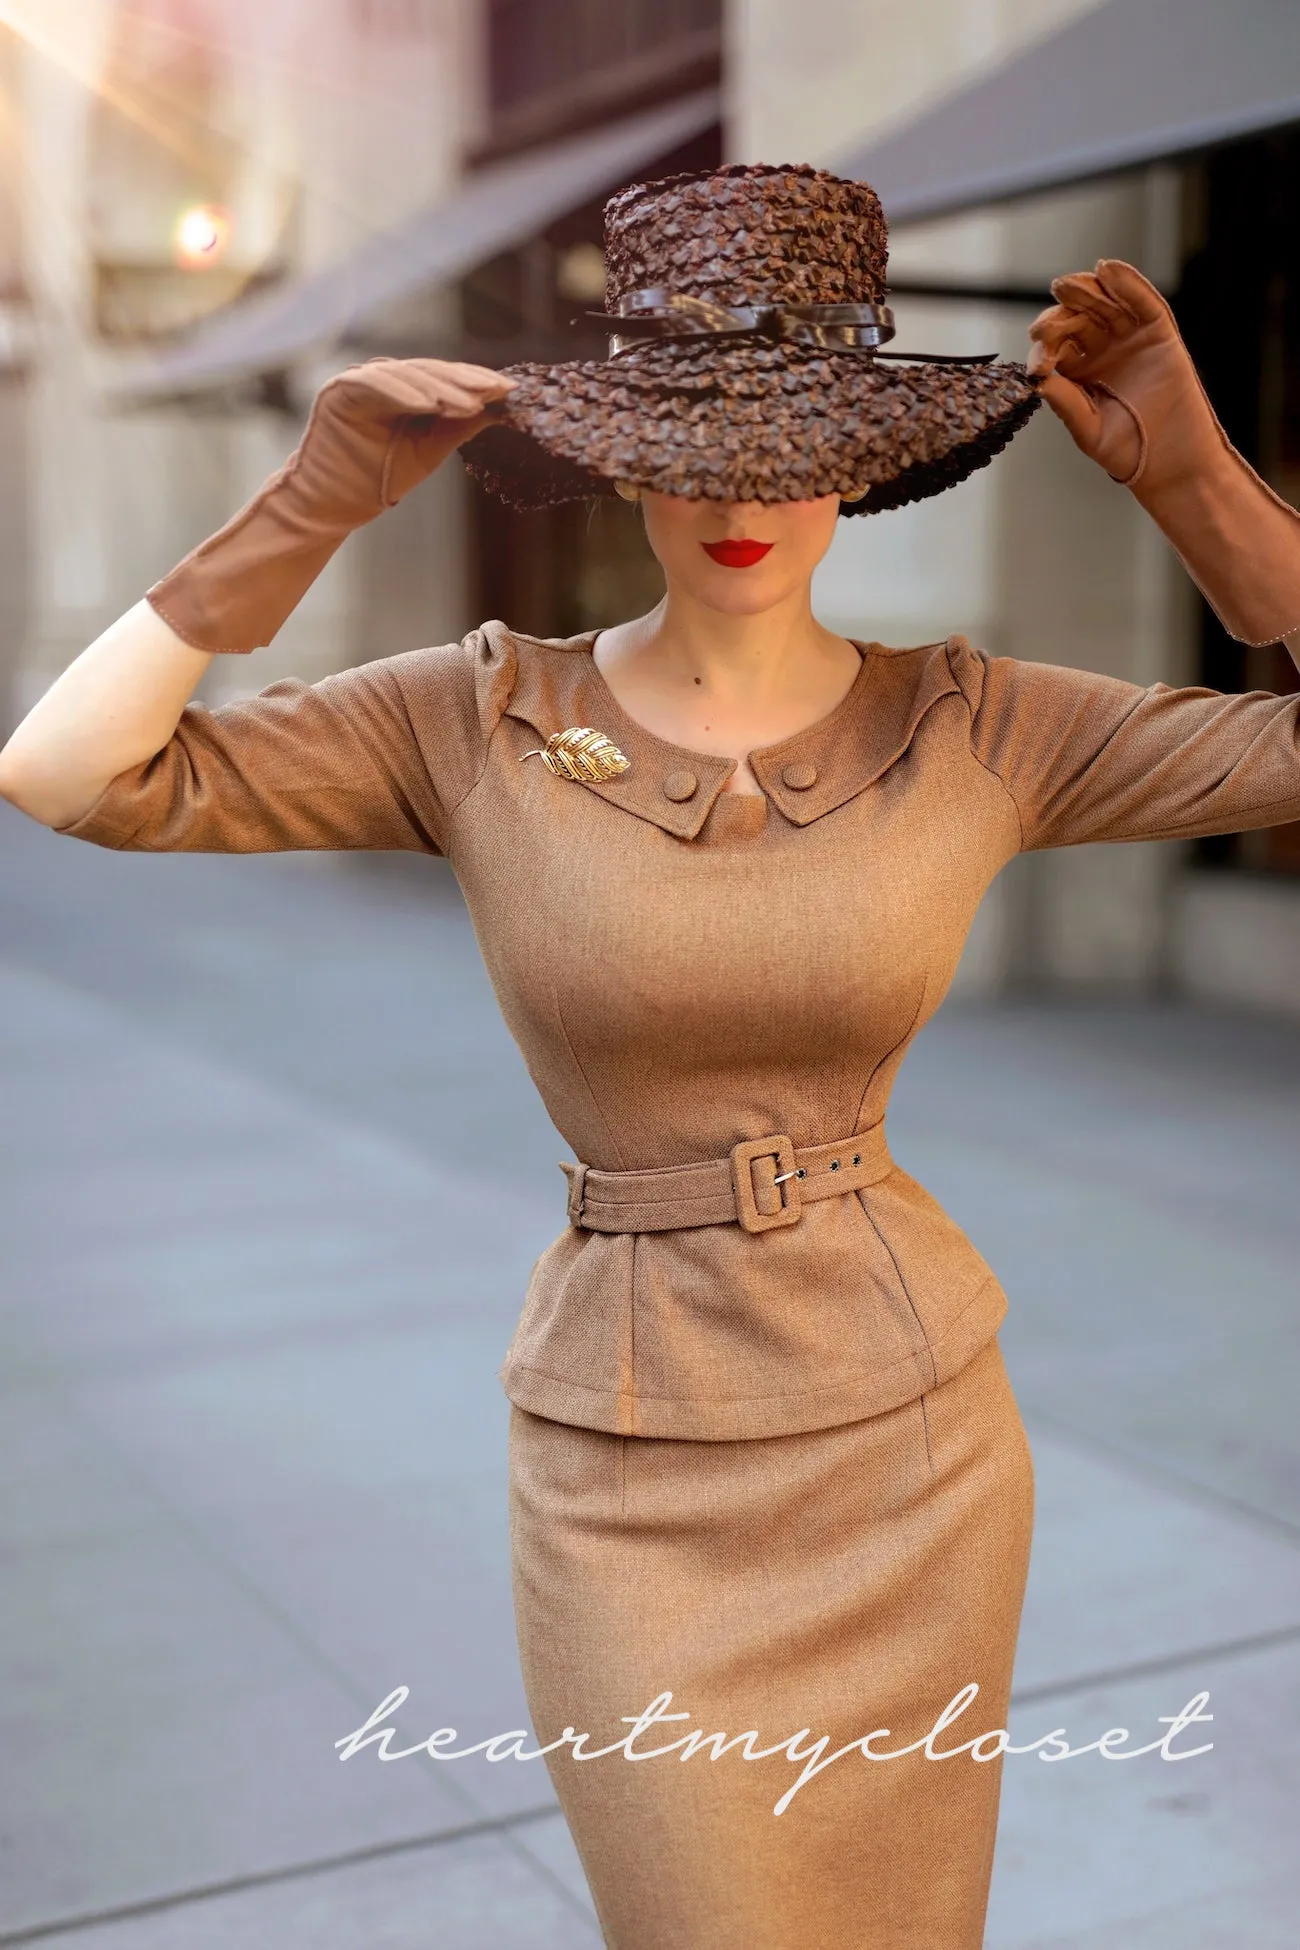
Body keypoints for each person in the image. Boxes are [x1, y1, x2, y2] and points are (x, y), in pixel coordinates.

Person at [3, 164, 1299, 1949]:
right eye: (696, 434)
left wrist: (1202, 490)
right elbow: (71, 776)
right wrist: (297, 514)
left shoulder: (977, 722)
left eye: (797, 432)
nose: (747, 489)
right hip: (630, 1471)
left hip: (914, 1455)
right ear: (620, 453)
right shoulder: (477, 715)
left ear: (867, 452)